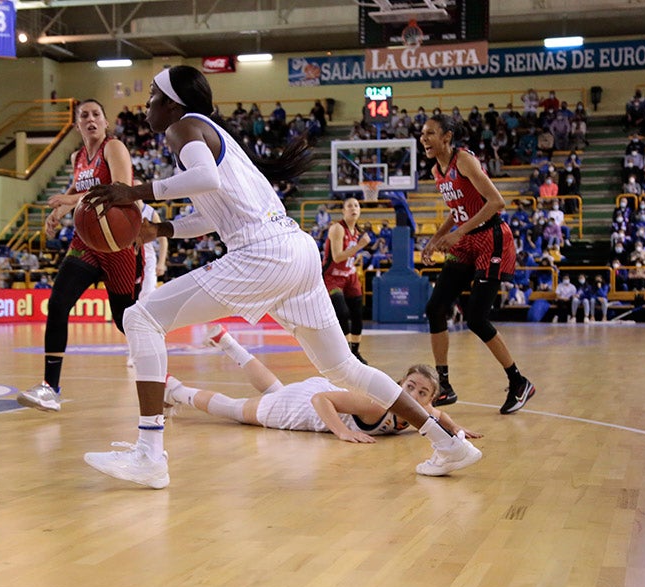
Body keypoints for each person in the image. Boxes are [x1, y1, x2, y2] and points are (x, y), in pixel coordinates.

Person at [78, 65, 483, 487]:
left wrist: (136, 191)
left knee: (141, 318)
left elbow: (204, 178)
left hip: (264, 254)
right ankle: (447, 442)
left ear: (173, 103)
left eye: (152, 100)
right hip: (296, 251)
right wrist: (164, 228)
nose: (146, 110)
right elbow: (210, 210)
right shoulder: (214, 136)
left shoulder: (182, 128)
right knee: (345, 368)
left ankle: (149, 453)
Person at [17, 99, 147, 412]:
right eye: (84, 116)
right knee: (59, 302)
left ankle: (162, 380)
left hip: (117, 245)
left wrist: (71, 198)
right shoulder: (79, 157)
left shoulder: (113, 148)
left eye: (96, 114)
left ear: (105, 122)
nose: (91, 119)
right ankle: (50, 388)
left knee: (124, 319)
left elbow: (120, 190)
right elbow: (77, 190)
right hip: (87, 242)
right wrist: (59, 211)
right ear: (77, 125)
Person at [164, 325, 481, 444]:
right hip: (309, 405)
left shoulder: (422, 414)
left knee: (274, 391)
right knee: (237, 410)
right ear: (399, 384)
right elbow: (322, 402)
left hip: (311, 393)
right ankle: (176, 390)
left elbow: (442, 418)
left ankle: (228, 342)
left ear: (430, 402)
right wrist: (343, 432)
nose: (412, 395)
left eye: (422, 393)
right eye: (409, 386)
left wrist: (459, 431)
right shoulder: (379, 404)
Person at [418, 113, 535, 413]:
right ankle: (444, 385)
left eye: (430, 133)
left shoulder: (464, 160)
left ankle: (519, 382)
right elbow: (456, 209)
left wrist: (458, 232)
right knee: (435, 308)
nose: (424, 139)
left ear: (447, 136)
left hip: (492, 238)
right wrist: (436, 238)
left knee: (476, 318)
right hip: (466, 241)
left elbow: (496, 202)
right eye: (422, 134)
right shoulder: (437, 170)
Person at [323, 197, 371, 364]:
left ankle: (355, 352)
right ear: (343, 211)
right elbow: (336, 257)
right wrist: (359, 247)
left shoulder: (356, 232)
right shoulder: (337, 228)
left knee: (358, 313)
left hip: (349, 276)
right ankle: (344, 352)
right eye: (349, 206)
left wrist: (356, 258)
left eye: (356, 205)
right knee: (342, 312)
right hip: (332, 277)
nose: (354, 208)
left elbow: (348, 256)